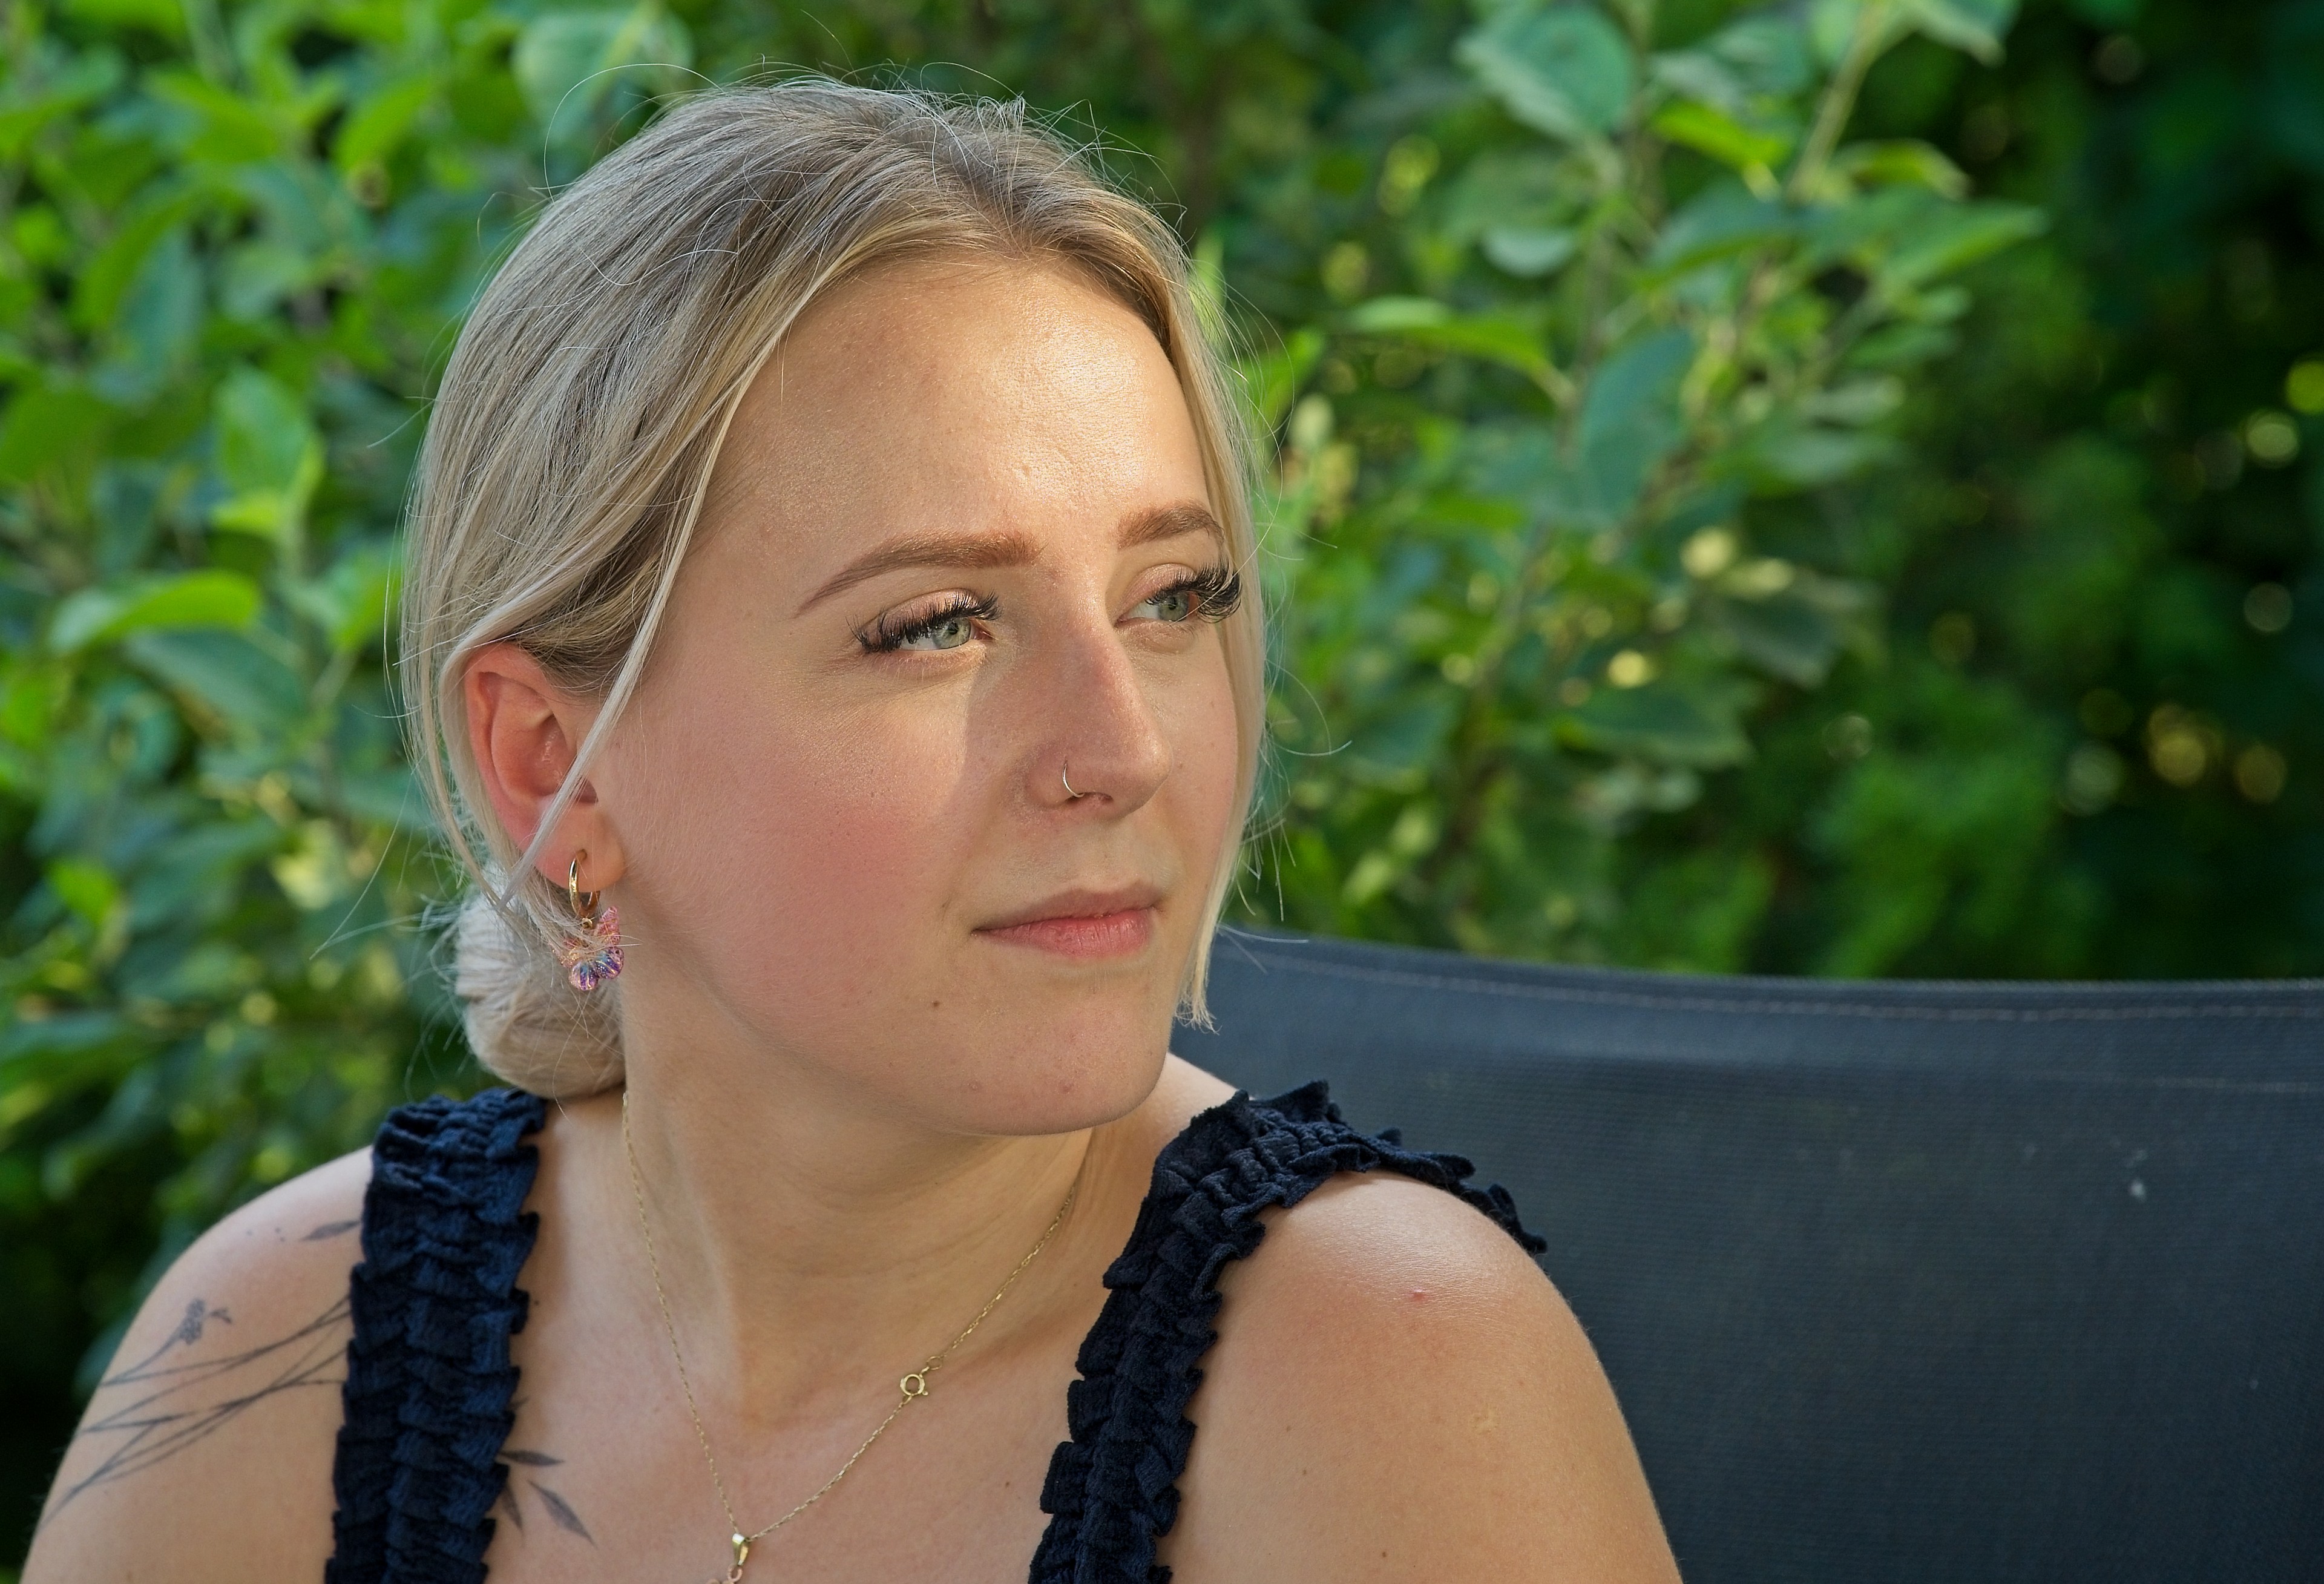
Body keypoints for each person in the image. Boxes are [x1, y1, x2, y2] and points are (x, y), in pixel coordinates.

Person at [25, 82, 1680, 1584]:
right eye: (938, 624)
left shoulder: (1388, 1384)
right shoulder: (282, 1364)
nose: (1122, 750)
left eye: (1173, 597)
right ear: (556, 769)